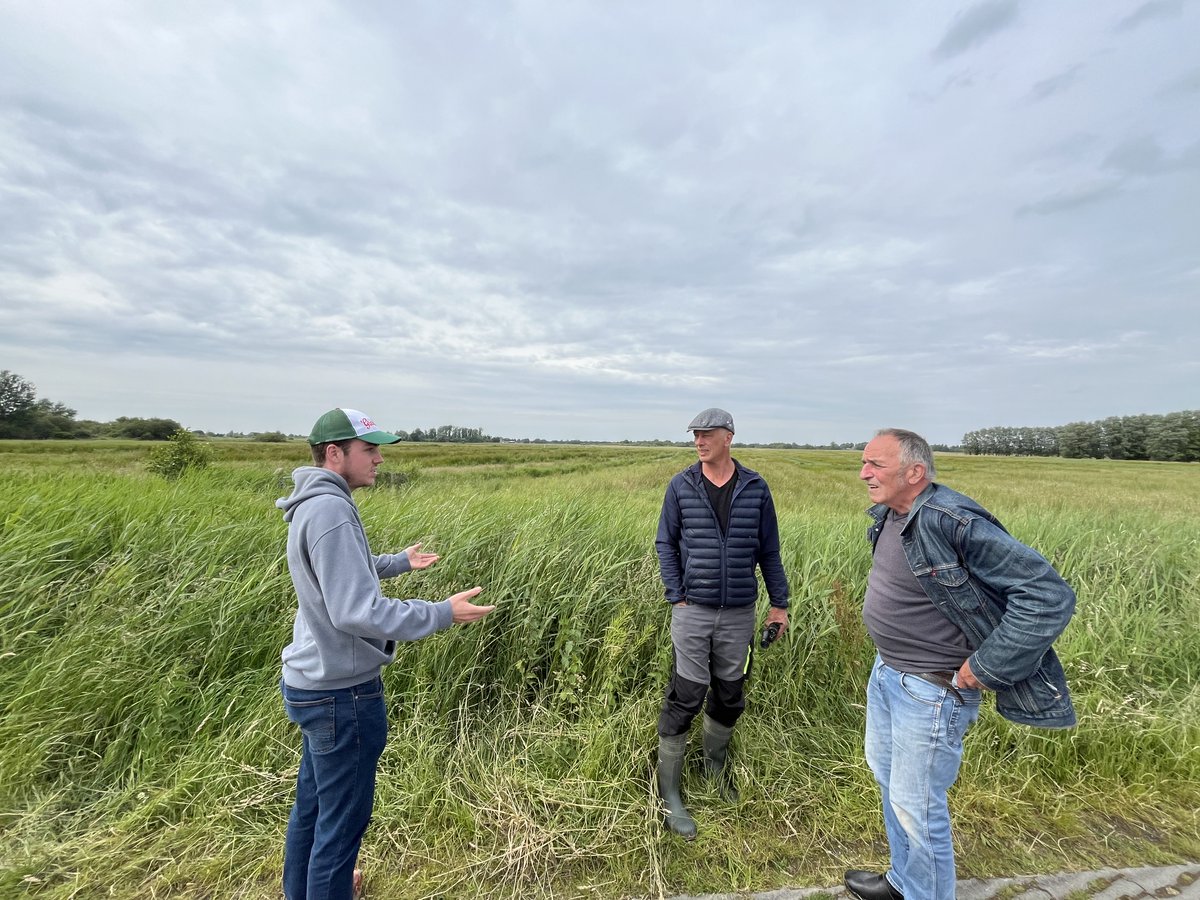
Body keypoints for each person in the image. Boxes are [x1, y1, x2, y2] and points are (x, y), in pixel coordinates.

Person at [845, 429, 1076, 900]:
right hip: (889, 672)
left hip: (930, 690)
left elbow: (1048, 595)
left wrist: (987, 667)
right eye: (864, 463)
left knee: (917, 804)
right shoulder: (893, 515)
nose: (864, 472)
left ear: (915, 472)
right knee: (892, 786)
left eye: (876, 464)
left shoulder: (952, 520)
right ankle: (903, 881)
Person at [277, 407, 495, 900]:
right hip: (342, 695)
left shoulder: (314, 502)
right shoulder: (330, 509)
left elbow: (341, 569)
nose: (378, 459)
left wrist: (398, 563)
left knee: (314, 810)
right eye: (369, 449)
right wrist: (440, 612)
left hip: (315, 683)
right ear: (335, 453)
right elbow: (356, 610)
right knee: (341, 828)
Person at [653, 407, 790, 839]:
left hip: (737, 614)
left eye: (707, 433)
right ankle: (670, 793)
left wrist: (779, 604)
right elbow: (665, 542)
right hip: (692, 612)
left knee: (730, 694)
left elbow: (769, 551)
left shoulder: (755, 487)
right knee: (687, 693)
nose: (698, 440)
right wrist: (676, 595)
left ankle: (715, 768)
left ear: (728, 436)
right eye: (695, 434)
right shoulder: (681, 485)